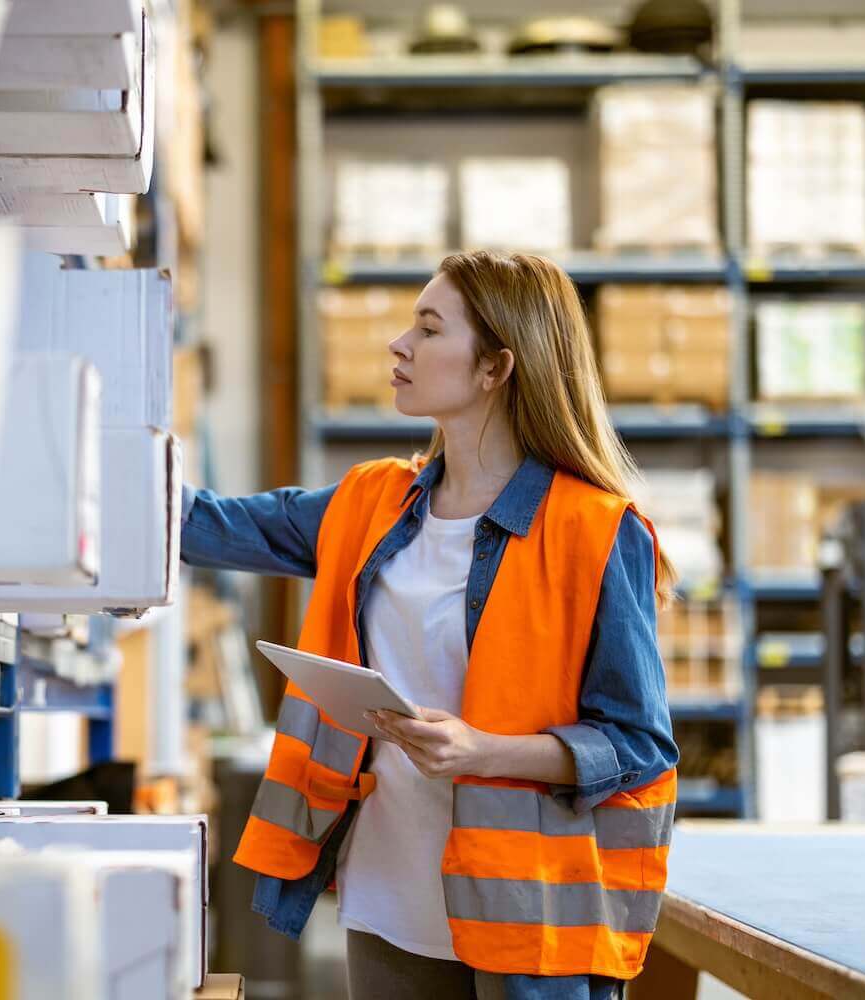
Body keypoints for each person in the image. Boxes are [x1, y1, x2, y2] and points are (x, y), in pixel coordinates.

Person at [179, 250, 681, 1000]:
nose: (398, 345)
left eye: (428, 327)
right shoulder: (368, 503)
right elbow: (197, 526)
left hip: (527, 923)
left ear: (494, 369)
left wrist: (485, 751)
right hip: (389, 901)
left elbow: (638, 745)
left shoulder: (596, 531)